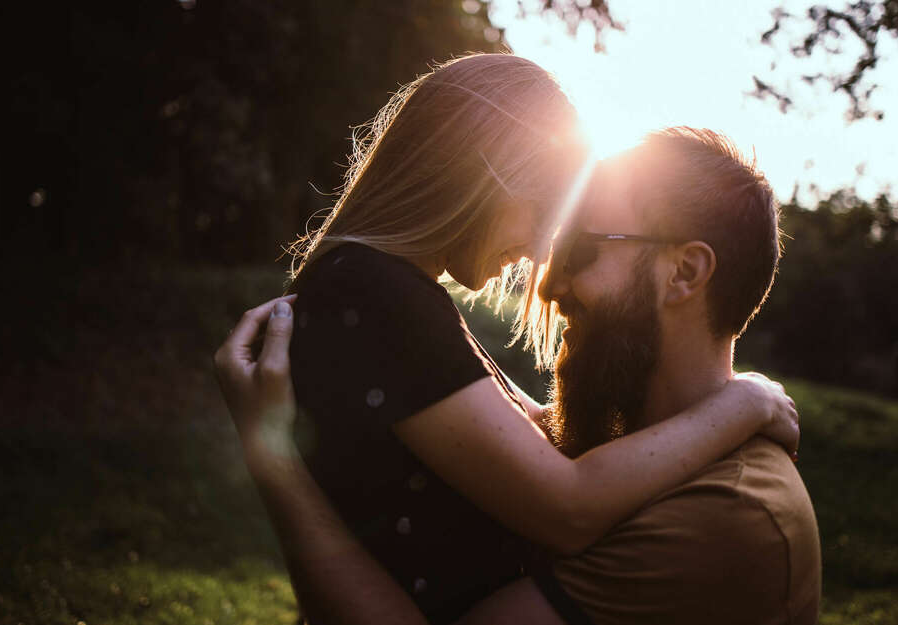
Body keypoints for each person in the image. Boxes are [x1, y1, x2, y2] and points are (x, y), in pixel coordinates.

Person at [213, 55, 802, 624]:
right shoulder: (375, 294)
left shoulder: (386, 291)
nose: (541, 253)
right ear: (485, 176)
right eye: (544, 214)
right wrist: (744, 402)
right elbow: (567, 507)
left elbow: (534, 430)